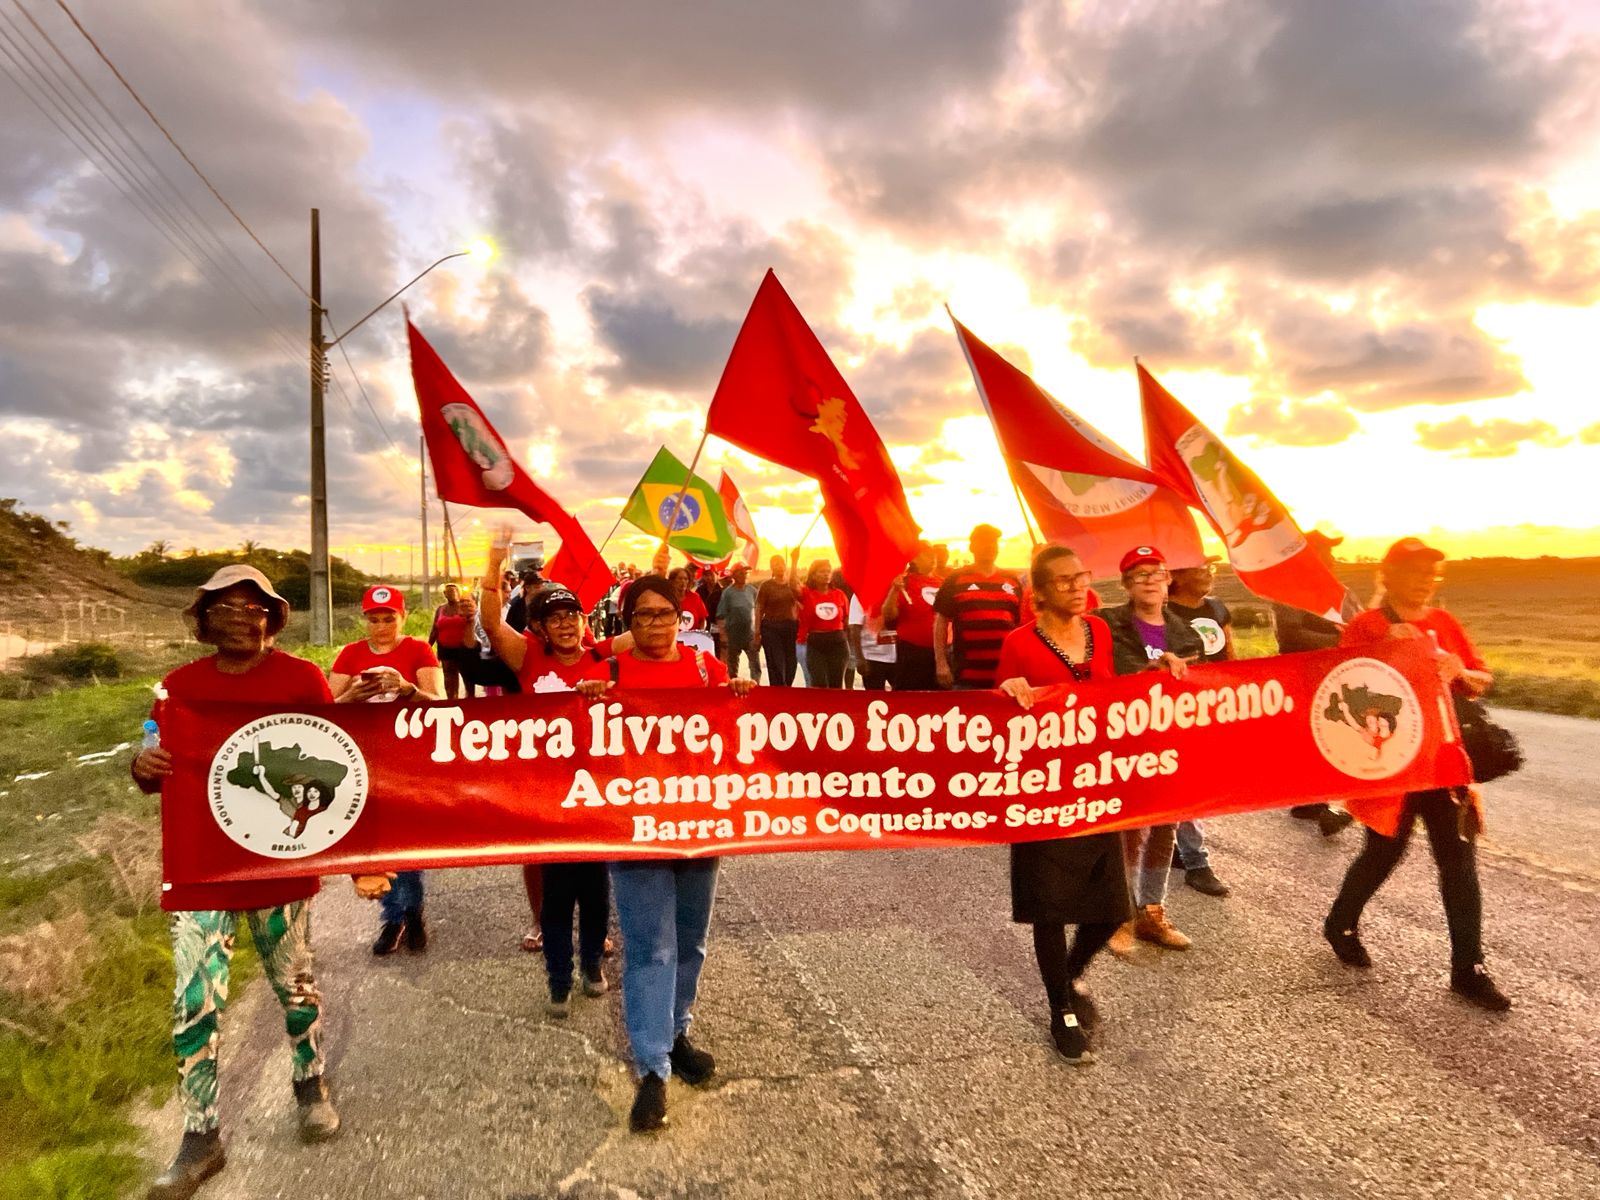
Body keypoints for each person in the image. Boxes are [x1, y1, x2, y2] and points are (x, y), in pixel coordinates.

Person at [132, 565, 373, 1198]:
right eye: (227, 607)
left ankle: (309, 1080)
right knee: (194, 1001)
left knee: (294, 986)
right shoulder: (177, 688)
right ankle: (200, 1134)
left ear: (273, 619)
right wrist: (141, 762)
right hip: (203, 871)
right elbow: (150, 755)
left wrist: (366, 855)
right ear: (202, 618)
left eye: (256, 607)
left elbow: (345, 756)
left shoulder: (301, 678)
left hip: (277, 867)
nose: (243, 617)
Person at [576, 577, 756, 1132]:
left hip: (701, 823)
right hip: (635, 829)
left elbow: (740, 731)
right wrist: (583, 705)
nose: (655, 624)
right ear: (627, 621)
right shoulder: (607, 676)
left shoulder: (708, 672)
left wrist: (745, 695)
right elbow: (576, 745)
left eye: (665, 614)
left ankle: (677, 1034)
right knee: (651, 946)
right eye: (643, 614)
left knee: (691, 939)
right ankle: (652, 1067)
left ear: (682, 618)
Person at [1323, 538, 1511, 1011]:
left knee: (1459, 863)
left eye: (1433, 570)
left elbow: (1482, 678)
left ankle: (1469, 969)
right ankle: (1341, 922)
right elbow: (1337, 686)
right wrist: (1382, 650)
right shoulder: (1367, 625)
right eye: (1415, 569)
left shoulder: (1444, 622)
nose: (1426, 577)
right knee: (1384, 853)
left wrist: (1459, 668)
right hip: (1391, 763)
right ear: (1390, 574)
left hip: (1445, 762)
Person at [996, 545, 1131, 1065]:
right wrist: (1007, 688)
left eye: (1082, 576)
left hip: (1096, 785)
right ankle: (1061, 1012)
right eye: (1065, 580)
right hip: (1040, 789)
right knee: (1050, 908)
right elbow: (994, 708)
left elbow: (1118, 693)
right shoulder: (1019, 642)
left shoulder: (1098, 632)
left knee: (1110, 908)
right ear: (1041, 593)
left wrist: (1163, 673)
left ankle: (1071, 976)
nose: (1078, 586)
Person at [329, 585, 445, 956]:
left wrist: (408, 689)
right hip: (365, 759)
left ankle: (412, 913)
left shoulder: (417, 650)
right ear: (364, 620)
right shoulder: (351, 654)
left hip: (409, 758)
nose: (381, 627)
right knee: (379, 841)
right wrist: (352, 698)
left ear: (402, 617)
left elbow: (440, 703)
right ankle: (392, 915)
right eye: (374, 619)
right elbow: (327, 708)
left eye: (388, 618)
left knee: (406, 839)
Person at [1099, 546, 1200, 953]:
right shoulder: (1108, 625)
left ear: (1168, 579)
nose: (1149, 581)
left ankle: (1151, 911)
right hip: (1127, 741)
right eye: (1138, 575)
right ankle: (1119, 913)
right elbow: (1111, 674)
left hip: (1173, 741)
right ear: (1125, 584)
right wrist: (1148, 672)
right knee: (1128, 830)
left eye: (1155, 573)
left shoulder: (1187, 633)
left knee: (1165, 829)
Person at [1275, 530, 1360, 836]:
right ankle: (1319, 801)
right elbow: (1290, 636)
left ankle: (1315, 800)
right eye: (1325, 551)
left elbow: (1360, 625)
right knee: (1322, 739)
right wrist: (1341, 639)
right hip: (1305, 676)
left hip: (1341, 675)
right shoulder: (1287, 590)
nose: (1332, 558)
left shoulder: (1344, 592)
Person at [1164, 558, 1234, 899]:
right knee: (1188, 783)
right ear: (1176, 575)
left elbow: (1231, 658)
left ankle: (1176, 844)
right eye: (1198, 568)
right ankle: (1197, 862)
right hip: (1181, 710)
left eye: (1209, 567)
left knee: (1193, 782)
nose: (1207, 573)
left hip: (1215, 707)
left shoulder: (1218, 608)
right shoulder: (1162, 615)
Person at [933, 524, 1024, 690]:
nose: (989, 546)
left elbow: (1021, 625)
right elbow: (941, 621)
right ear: (972, 547)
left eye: (993, 542)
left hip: (1006, 675)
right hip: (966, 677)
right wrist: (941, 663)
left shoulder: (1012, 580)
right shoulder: (955, 580)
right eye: (983, 541)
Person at [883, 542, 941, 690]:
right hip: (912, 652)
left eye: (932, 553)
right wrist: (894, 591)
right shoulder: (904, 582)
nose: (932, 557)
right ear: (913, 559)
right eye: (926, 554)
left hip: (940, 651)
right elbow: (889, 615)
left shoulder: (943, 583)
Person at [798, 559, 850, 688]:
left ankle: (837, 708)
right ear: (814, 575)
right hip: (816, 644)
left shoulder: (839, 594)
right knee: (819, 683)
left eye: (828, 571)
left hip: (838, 644)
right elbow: (793, 585)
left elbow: (847, 621)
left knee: (836, 684)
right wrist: (794, 562)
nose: (826, 574)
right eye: (822, 571)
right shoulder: (806, 593)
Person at [753, 553, 800, 686]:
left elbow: (800, 599)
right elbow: (759, 609)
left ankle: (786, 688)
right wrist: (757, 633)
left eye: (781, 564)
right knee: (776, 663)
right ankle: (778, 691)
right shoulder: (766, 586)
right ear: (771, 568)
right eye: (775, 565)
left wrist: (794, 560)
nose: (778, 567)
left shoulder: (791, 584)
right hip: (771, 629)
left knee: (791, 663)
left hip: (791, 628)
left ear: (785, 566)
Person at [428, 583, 477, 699]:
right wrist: (427, 647)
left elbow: (475, 625)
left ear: (459, 593)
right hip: (445, 649)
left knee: (468, 676)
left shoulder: (465, 607)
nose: (452, 593)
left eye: (455, 591)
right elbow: (435, 629)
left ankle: (471, 700)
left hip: (464, 648)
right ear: (445, 594)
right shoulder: (441, 609)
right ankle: (452, 700)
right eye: (449, 592)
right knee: (449, 677)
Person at [716, 562, 759, 680]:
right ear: (734, 576)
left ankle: (757, 687)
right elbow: (720, 616)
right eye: (741, 572)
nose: (744, 575)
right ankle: (732, 687)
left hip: (749, 635)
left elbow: (759, 610)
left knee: (755, 664)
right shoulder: (728, 593)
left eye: (746, 572)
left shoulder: (752, 591)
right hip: (733, 635)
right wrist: (723, 636)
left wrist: (758, 633)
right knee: (732, 667)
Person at [847, 587, 896, 691]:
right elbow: (855, 628)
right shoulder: (860, 595)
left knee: (903, 697)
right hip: (872, 657)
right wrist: (859, 658)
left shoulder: (898, 591)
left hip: (898, 655)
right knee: (875, 698)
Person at [667, 566, 710, 632]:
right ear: (672, 581)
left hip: (693, 639)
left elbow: (702, 619)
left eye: (686, 579)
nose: (683, 581)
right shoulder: (667, 598)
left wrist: (701, 632)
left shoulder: (695, 597)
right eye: (680, 578)